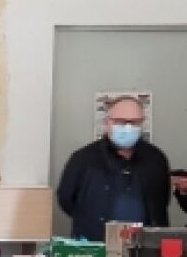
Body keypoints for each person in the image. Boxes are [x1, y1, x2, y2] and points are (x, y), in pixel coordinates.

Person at [58, 96, 177, 240]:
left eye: (134, 122)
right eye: (120, 121)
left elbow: (161, 200)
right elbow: (66, 198)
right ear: (107, 123)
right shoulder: (83, 158)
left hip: (145, 245)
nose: (128, 127)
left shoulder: (156, 158)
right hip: (94, 243)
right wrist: (88, 220)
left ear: (142, 123)